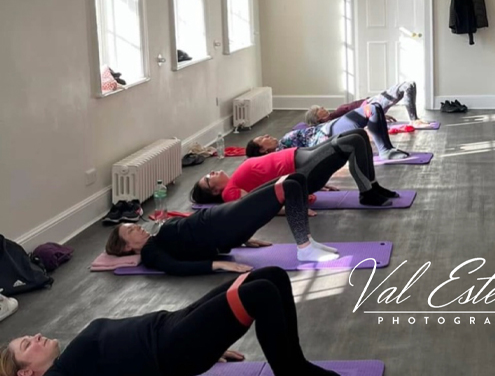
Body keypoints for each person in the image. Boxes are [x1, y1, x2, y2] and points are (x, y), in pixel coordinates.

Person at [0, 267, 342, 376]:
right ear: (25, 372)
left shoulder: (67, 361)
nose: (36, 336)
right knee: (261, 294)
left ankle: (298, 365)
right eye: (27, 344)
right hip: (171, 352)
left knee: (271, 276)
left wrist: (214, 346)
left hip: (173, 324)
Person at [106, 172, 340, 270]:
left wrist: (243, 241)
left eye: (133, 225)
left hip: (224, 220)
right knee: (288, 187)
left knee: (295, 179)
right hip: (224, 225)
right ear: (127, 247)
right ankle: (305, 248)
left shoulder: (158, 238)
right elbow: (177, 268)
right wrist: (219, 265)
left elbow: (191, 245)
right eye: (131, 230)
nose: (137, 227)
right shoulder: (151, 253)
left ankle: (308, 240)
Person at [191, 129, 397, 207]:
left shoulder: (234, 180)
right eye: (208, 179)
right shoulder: (229, 193)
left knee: (358, 134)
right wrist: (291, 208)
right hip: (302, 171)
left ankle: (373, 185)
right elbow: (254, 205)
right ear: (215, 191)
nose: (211, 173)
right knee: (353, 142)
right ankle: (366, 193)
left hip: (299, 156)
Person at [246, 100, 410, 160]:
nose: (266, 135)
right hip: (327, 134)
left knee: (375, 107)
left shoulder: (283, 143)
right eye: (262, 139)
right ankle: (385, 151)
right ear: (263, 150)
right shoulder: (279, 154)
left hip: (326, 128)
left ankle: (387, 149)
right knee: (371, 109)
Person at [305, 80, 428, 128]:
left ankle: (414, 119)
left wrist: (380, 115)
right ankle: (414, 120)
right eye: (318, 109)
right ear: (318, 118)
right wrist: (375, 114)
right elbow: (357, 117)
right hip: (371, 105)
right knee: (408, 86)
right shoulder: (334, 120)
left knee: (409, 85)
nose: (322, 107)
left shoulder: (336, 115)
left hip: (372, 103)